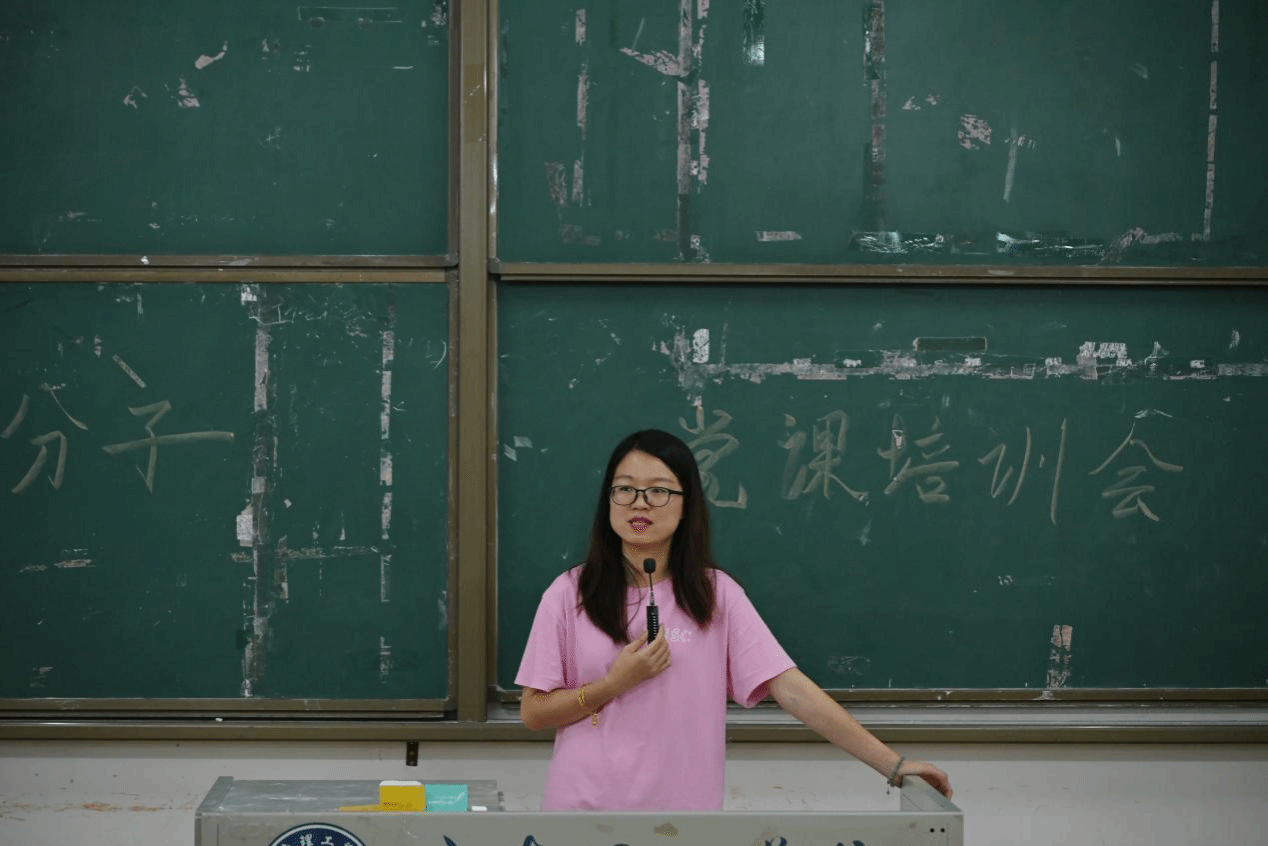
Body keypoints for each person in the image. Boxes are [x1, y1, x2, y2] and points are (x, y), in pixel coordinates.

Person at [516, 428, 953, 811]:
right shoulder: (568, 593)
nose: (639, 503)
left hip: (681, 821)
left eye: (658, 491)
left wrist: (893, 765)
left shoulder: (716, 595)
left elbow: (790, 688)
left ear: (686, 504)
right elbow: (534, 712)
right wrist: (613, 684)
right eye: (625, 489)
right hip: (583, 814)